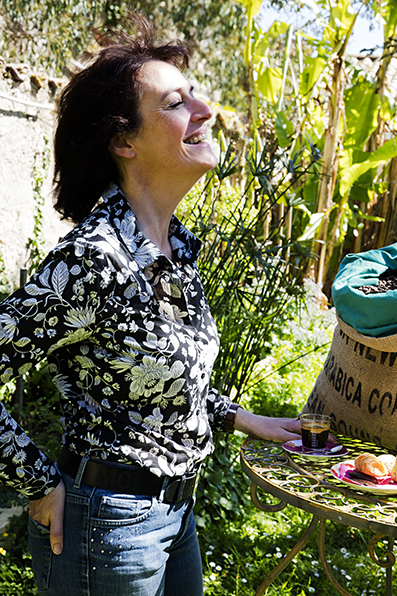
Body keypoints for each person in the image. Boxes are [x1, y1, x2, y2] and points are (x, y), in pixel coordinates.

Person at [0, 13, 301, 596]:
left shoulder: (175, 246)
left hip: (174, 517)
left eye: (194, 95)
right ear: (124, 141)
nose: (204, 110)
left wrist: (242, 418)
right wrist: (38, 483)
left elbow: (153, 382)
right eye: (174, 103)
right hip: (106, 526)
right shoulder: (95, 260)